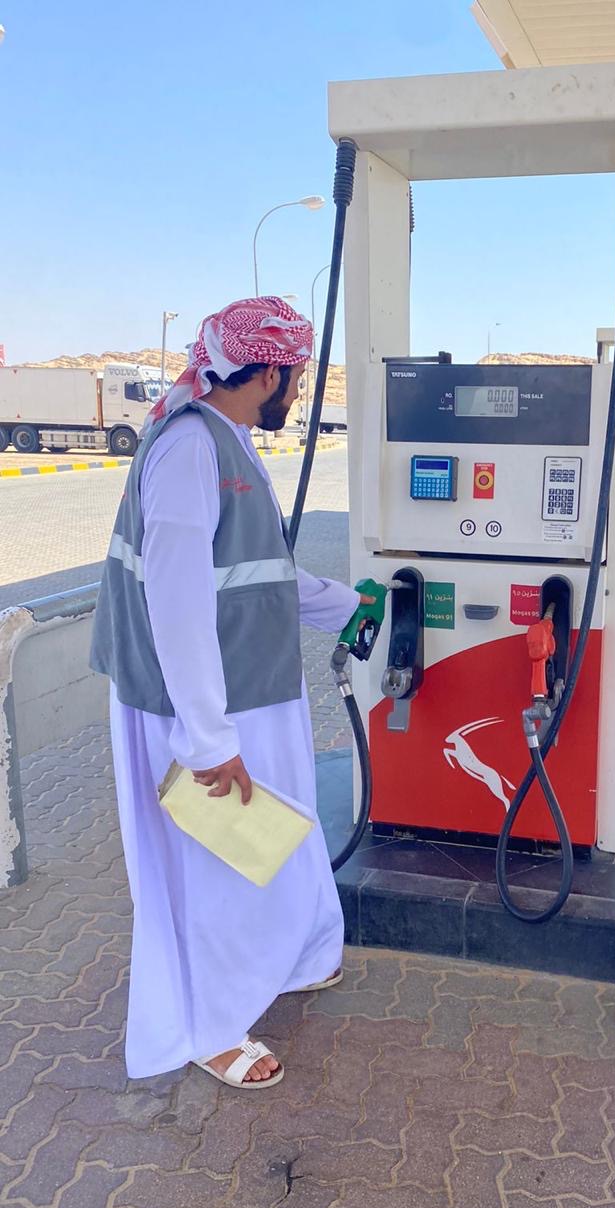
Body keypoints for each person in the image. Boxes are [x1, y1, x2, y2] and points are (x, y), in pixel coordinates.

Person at [91, 297, 370, 1089]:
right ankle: (207, 1027)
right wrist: (208, 741)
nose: (300, 391)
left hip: (249, 688)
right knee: (215, 863)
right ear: (271, 374)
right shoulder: (188, 449)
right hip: (196, 705)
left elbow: (254, 572)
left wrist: (348, 605)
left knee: (278, 837)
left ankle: (299, 956)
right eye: (298, 376)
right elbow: (177, 603)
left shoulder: (227, 437)